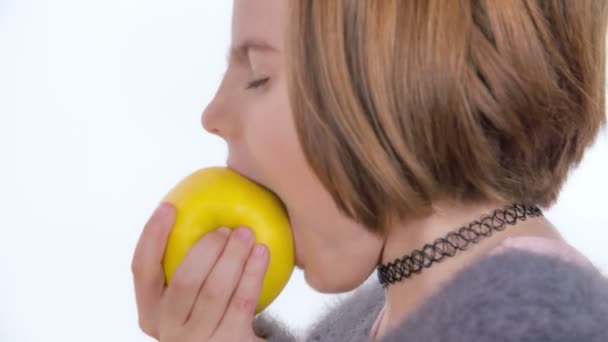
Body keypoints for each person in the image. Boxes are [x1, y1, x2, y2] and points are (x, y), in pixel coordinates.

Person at [131, 0, 608, 341]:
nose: (212, 115)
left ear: (408, 81)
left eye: (258, 76)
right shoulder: (374, 315)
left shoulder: (537, 320)